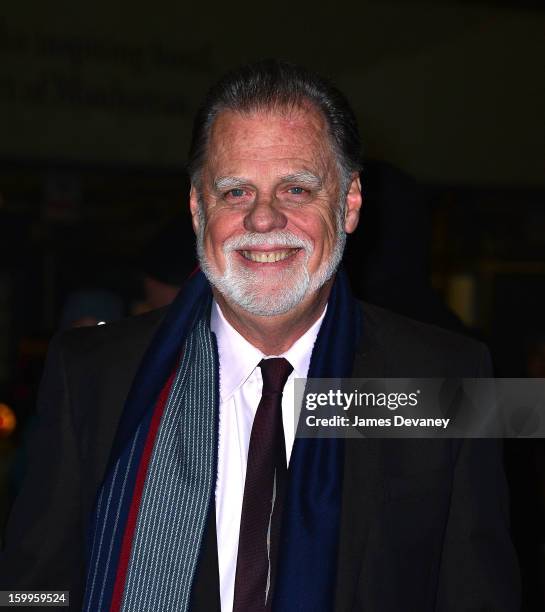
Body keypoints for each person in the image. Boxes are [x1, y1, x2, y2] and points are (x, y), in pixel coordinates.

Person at [0, 60, 519, 611]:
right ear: (199, 209)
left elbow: (480, 594)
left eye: (295, 189)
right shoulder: (91, 373)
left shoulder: (450, 379)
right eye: (235, 192)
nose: (264, 219)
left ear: (349, 204)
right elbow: (33, 588)